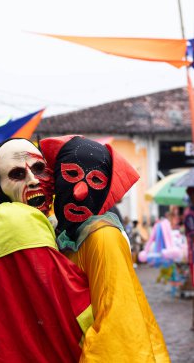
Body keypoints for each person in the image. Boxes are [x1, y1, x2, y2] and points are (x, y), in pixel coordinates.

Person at [0, 138, 93, 363]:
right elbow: (68, 301)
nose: (33, 180)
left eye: (39, 168)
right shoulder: (17, 220)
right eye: (17, 174)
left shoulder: (0, 224)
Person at [40, 135, 170, 362]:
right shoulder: (65, 236)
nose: (80, 192)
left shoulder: (103, 237)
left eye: (96, 181)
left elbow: (116, 327)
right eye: (71, 174)